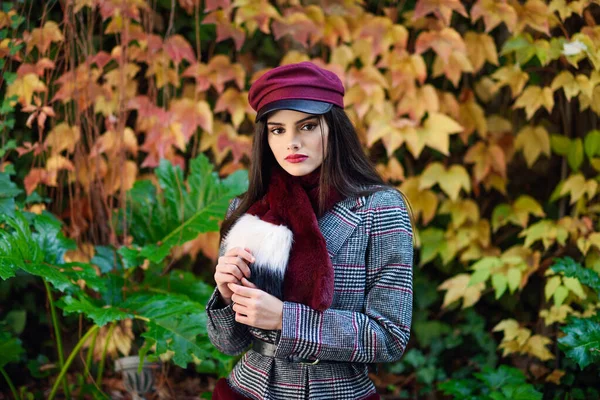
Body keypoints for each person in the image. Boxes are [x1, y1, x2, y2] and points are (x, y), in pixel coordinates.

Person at [205, 61, 413, 400]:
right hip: (250, 389)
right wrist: (228, 297)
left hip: (339, 390)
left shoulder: (381, 209)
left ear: (333, 128)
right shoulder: (246, 210)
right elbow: (227, 343)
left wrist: (287, 320)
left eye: (307, 126)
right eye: (278, 130)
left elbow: (390, 337)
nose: (292, 142)